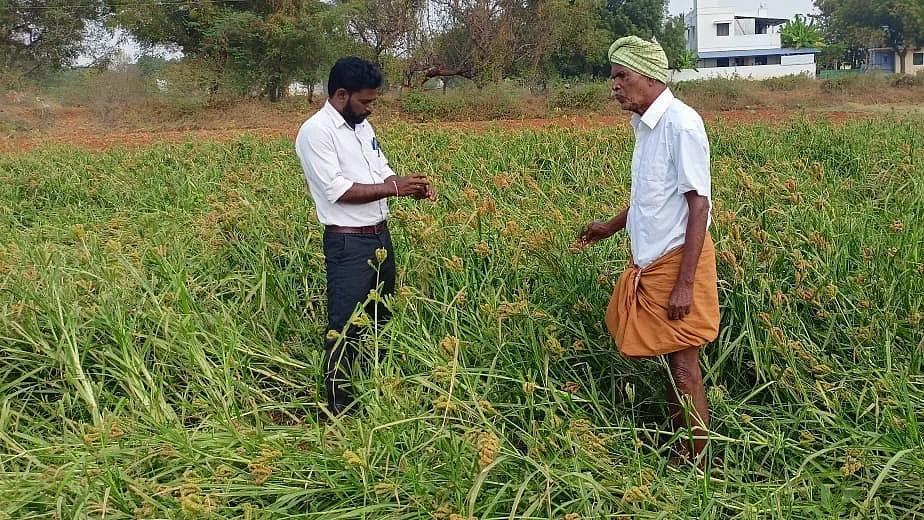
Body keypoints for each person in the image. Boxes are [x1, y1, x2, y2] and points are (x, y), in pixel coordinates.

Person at [576, 36, 720, 462]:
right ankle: (685, 444)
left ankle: (694, 459)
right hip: (653, 263)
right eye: (614, 77)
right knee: (675, 368)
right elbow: (649, 197)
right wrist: (611, 226)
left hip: (678, 264)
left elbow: (699, 205)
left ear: (650, 76)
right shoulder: (645, 127)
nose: (615, 86)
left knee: (684, 368)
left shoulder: (681, 123)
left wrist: (684, 284)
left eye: (623, 76)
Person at [295, 56, 436, 416]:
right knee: (345, 326)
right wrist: (393, 189)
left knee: (379, 317)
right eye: (366, 101)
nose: (371, 109)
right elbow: (338, 191)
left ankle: (372, 390)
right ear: (341, 94)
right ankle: (339, 409)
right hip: (348, 244)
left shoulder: (361, 127)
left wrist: (409, 185)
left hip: (379, 238)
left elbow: (381, 169)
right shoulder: (316, 132)